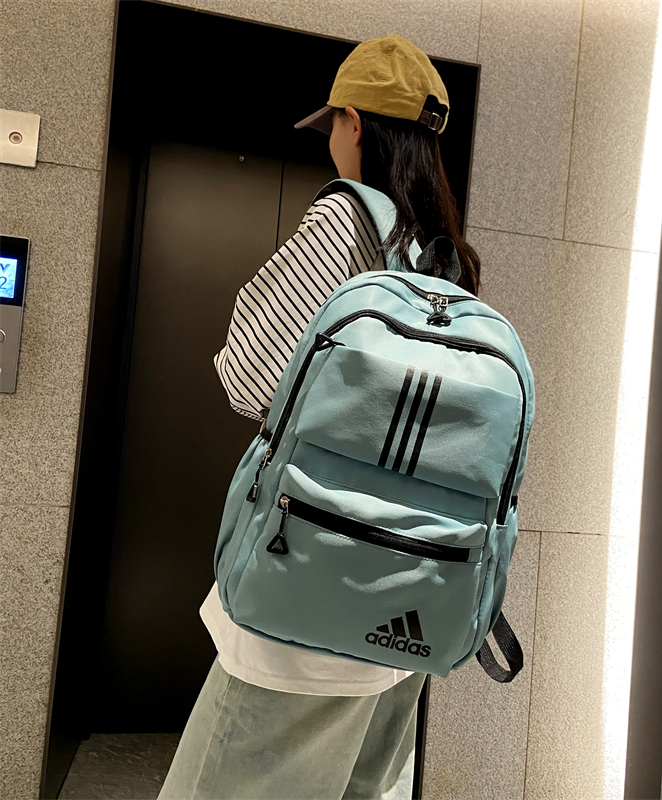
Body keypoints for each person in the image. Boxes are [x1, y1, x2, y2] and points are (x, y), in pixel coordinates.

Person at [158, 32, 481, 800]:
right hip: (409, 609)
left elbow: (249, 376)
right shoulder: (443, 260)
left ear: (354, 123)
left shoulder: (345, 222)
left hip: (309, 598)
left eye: (333, 123)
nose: (331, 139)